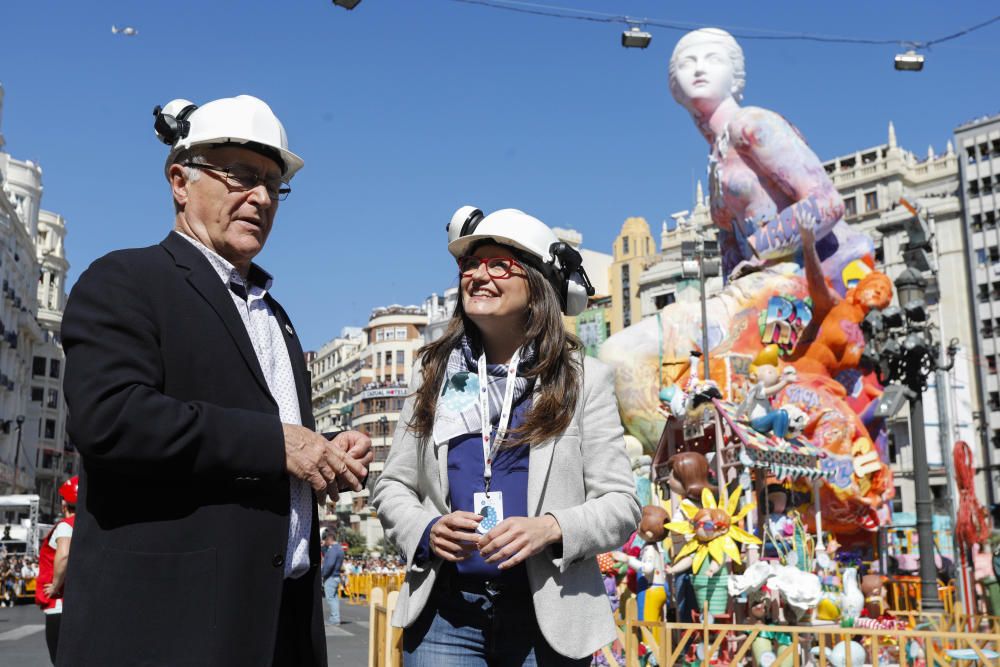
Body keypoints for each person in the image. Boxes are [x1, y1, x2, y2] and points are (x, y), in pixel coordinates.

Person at [57, 95, 373, 667]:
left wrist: (324, 455)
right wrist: (278, 442)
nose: (260, 197)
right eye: (241, 177)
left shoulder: (277, 317)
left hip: (280, 626)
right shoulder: (125, 280)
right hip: (168, 631)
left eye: (274, 185)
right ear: (181, 181)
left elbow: (270, 448)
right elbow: (110, 420)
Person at [372, 206, 641, 665]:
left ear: (537, 284)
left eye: (500, 265)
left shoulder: (583, 381)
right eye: (470, 265)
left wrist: (551, 528)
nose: (479, 275)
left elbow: (621, 503)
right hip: (446, 615)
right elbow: (394, 483)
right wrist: (426, 529)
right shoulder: (438, 374)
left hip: (550, 618)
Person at [668, 27, 872, 294]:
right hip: (764, 295)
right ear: (675, 88)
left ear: (735, 77)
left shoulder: (750, 124)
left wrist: (758, 250)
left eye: (713, 59)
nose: (699, 69)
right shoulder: (715, 162)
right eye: (687, 63)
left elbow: (827, 203)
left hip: (813, 282)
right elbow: (731, 251)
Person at [36, 476, 77, 664]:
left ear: (64, 504)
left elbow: (64, 555)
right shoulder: (85, 526)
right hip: (79, 601)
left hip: (59, 603)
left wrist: (54, 585)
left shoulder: (65, 526)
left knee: (59, 659)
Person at [321, 533, 345, 624]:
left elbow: (329, 564)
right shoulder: (339, 549)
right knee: (334, 598)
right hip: (336, 576)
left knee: (331, 598)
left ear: (329, 540)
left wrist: (323, 574)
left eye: (326, 540)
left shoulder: (333, 550)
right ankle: (335, 617)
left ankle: (335, 619)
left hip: (331, 576)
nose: (325, 542)